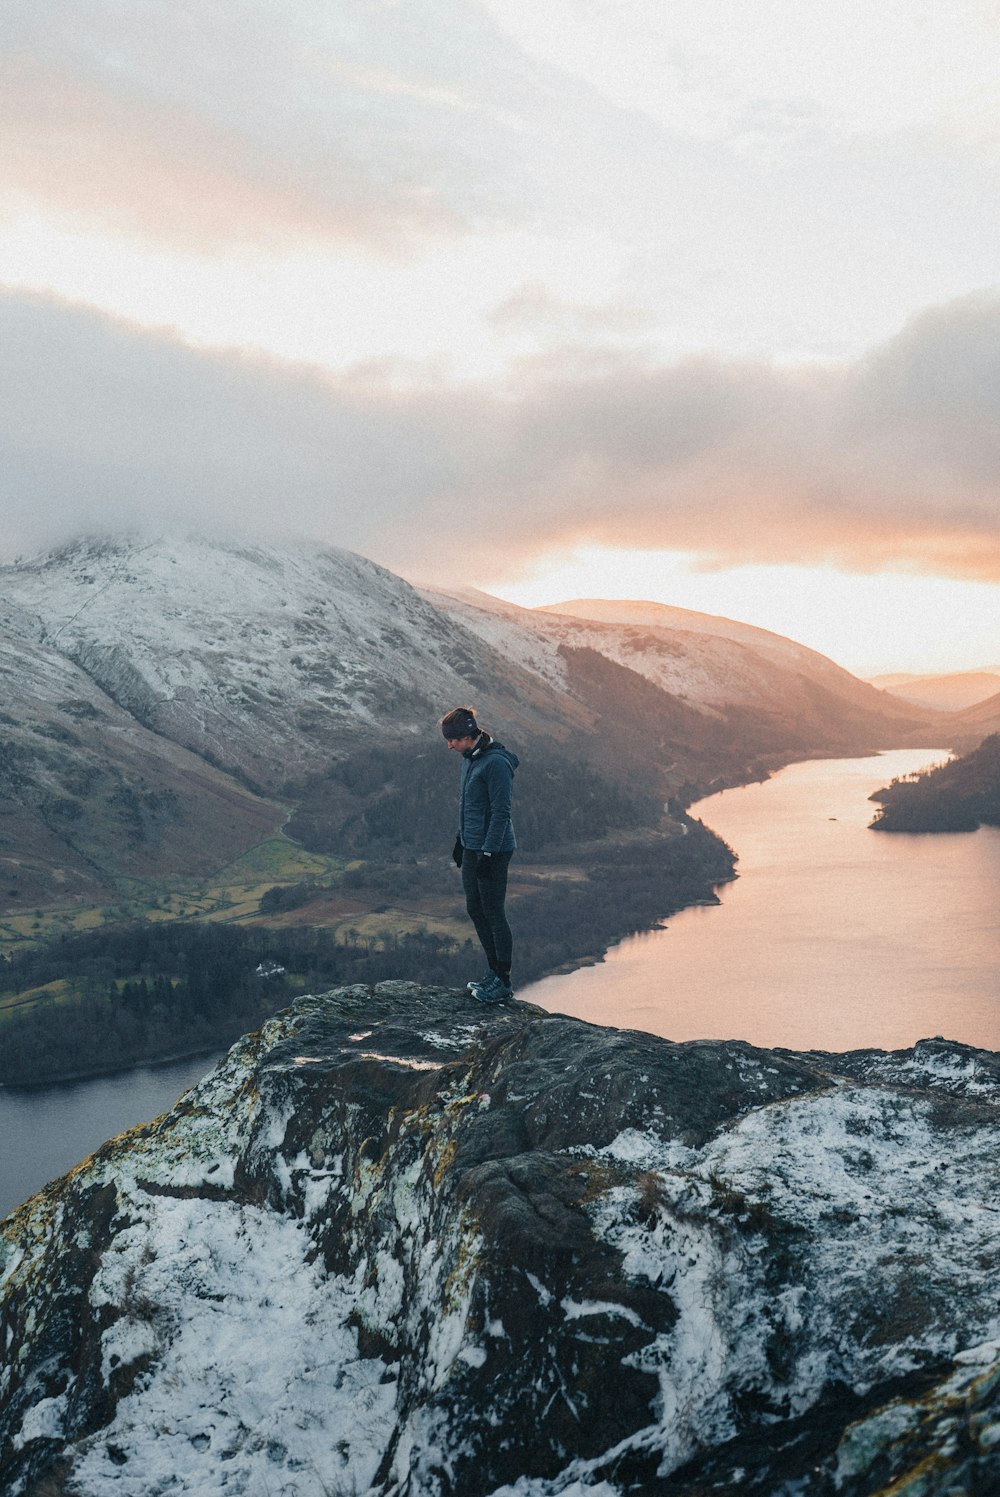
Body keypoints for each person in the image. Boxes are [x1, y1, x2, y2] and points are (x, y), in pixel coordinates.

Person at [440, 706, 518, 1003]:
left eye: (453, 739)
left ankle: (504, 980)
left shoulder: (495, 763)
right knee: (475, 908)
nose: (449, 745)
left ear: (467, 735)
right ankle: (493, 971)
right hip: (473, 847)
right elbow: (470, 806)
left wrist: (487, 851)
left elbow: (501, 813)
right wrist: (463, 841)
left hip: (494, 850)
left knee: (494, 912)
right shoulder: (469, 760)